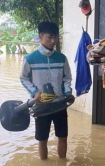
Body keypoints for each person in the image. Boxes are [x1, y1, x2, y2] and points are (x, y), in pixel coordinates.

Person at [20, 21, 73, 160]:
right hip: (41, 106)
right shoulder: (30, 59)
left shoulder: (62, 58)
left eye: (55, 37)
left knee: (63, 136)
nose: (53, 41)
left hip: (60, 104)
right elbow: (23, 78)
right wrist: (34, 92)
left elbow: (67, 77)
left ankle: (62, 162)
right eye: (50, 37)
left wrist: (68, 92)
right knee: (42, 139)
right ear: (40, 36)